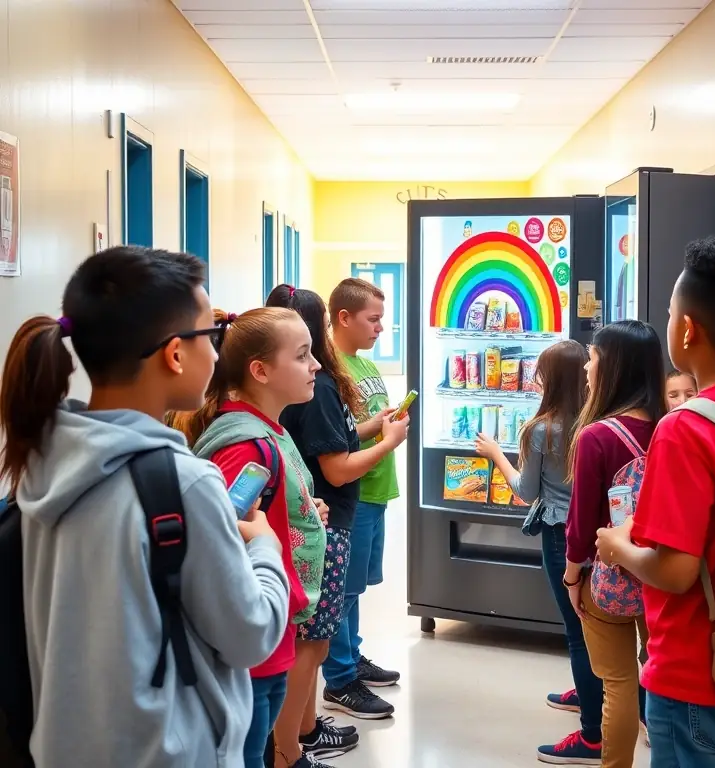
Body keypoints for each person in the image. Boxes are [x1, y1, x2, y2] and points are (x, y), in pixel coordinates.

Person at [1, 247, 289, 766]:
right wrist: (265, 551)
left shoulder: (41, 463)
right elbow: (249, 636)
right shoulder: (185, 484)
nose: (219, 354)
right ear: (175, 354)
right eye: (212, 337)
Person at [595, 234, 715, 768]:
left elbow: (677, 571)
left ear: (686, 329)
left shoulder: (684, 427)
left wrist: (618, 546)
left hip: (693, 673)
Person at [172, 305, 357, 768]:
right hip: (250, 643)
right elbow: (218, 534)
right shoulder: (244, 446)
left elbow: (262, 506)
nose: (316, 365)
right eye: (302, 356)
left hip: (273, 634)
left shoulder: (269, 433)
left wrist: (300, 514)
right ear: (260, 371)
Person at [267, 286, 409, 748]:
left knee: (322, 632)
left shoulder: (321, 385)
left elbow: (334, 438)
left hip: (330, 514)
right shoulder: (321, 387)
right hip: (326, 521)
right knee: (313, 640)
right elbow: (334, 466)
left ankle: (303, 731)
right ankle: (296, 739)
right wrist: (386, 444)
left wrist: (371, 429)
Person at [474, 340, 600, 765]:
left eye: (540, 372)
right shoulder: (595, 421)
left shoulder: (542, 428)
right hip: (594, 533)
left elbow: (526, 493)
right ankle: (589, 692)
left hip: (558, 534)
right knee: (593, 624)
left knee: (575, 628)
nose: (534, 378)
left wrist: (496, 455)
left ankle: (591, 733)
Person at [563, 320, 666, 768]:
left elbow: (582, 523)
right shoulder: (672, 426)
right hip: (665, 571)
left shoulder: (597, 436)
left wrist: (572, 577)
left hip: (610, 577)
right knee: (661, 677)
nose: (587, 366)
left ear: (613, 366)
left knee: (619, 683)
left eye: (593, 357)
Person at [321, 278, 403, 719]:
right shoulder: (333, 373)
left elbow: (357, 430)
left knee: (355, 588)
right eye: (373, 320)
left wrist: (382, 424)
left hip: (376, 491)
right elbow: (339, 445)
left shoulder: (365, 368)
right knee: (341, 590)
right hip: (355, 491)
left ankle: (351, 655)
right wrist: (384, 438)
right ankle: (339, 678)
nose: (379, 329)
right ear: (344, 318)